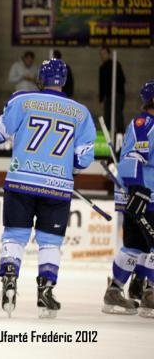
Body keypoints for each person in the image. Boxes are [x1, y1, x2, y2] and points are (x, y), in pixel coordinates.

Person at [0, 59, 96, 318]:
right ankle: (46, 291)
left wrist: (6, 116)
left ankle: (10, 277)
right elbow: (83, 158)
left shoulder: (22, 101)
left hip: (21, 181)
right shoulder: (80, 112)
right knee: (50, 242)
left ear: (41, 79)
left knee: (15, 235)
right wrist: (65, 163)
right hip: (57, 186)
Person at [102, 81, 154, 318]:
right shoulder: (146, 124)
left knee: (135, 247)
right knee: (142, 246)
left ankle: (115, 292)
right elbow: (134, 158)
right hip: (145, 196)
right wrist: (138, 190)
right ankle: (150, 296)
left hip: (139, 195)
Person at [99, 46, 126, 134]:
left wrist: (117, 93)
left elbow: (122, 80)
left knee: (118, 116)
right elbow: (102, 85)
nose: (102, 56)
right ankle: (108, 137)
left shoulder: (115, 64)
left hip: (117, 95)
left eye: (104, 54)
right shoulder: (102, 68)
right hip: (108, 96)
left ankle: (120, 135)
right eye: (101, 54)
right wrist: (101, 99)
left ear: (109, 54)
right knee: (107, 117)